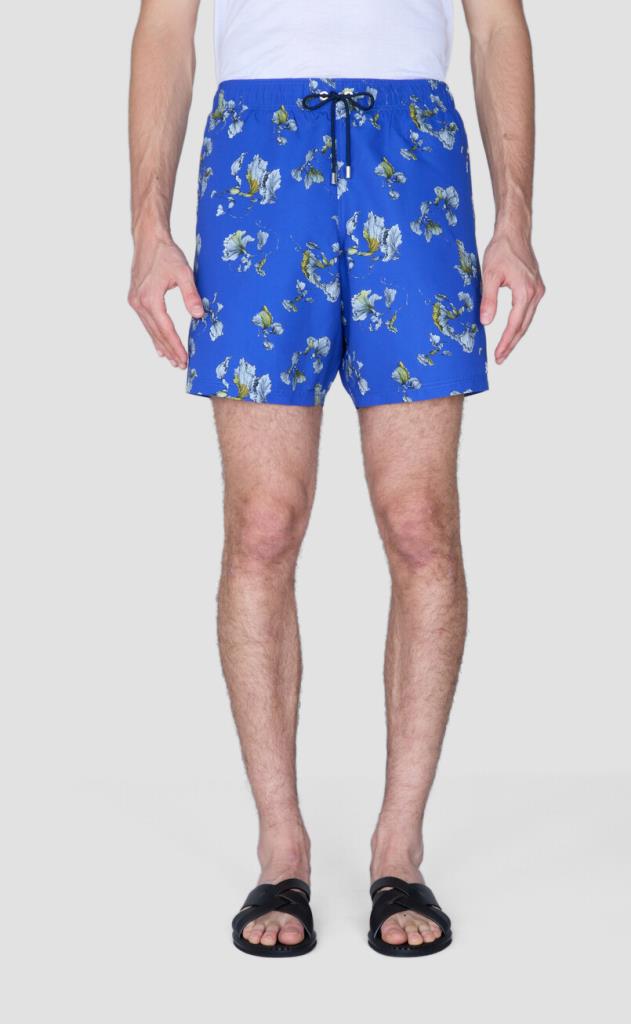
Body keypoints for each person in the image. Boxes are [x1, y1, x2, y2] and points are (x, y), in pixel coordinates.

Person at [128, 0, 544, 957]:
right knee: (263, 524)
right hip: (258, 150)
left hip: (414, 148)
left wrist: (515, 217)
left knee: (420, 523)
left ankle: (400, 849)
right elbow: (164, 28)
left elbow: (496, 24)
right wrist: (149, 222)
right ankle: (281, 849)